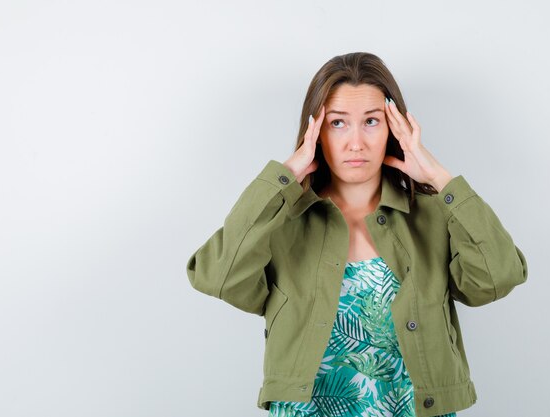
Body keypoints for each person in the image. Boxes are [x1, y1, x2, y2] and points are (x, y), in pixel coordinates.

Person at [186, 52, 528, 417]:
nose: (355, 142)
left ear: (395, 129)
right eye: (337, 123)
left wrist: (441, 180)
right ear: (313, 132)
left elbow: (498, 277)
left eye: (371, 121)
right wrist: (282, 177)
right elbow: (216, 276)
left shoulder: (433, 216)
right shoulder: (281, 220)